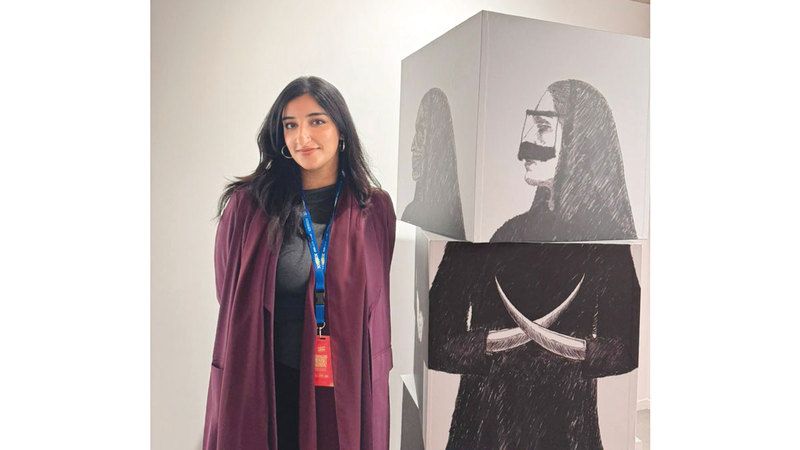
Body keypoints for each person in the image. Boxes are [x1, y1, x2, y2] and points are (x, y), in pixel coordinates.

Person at [427, 79, 640, 449]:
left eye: (543, 128)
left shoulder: (608, 243)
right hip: (483, 428)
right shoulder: (495, 234)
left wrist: (571, 351)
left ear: (579, 141)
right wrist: (490, 344)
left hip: (566, 431)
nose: (524, 149)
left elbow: (625, 346)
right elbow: (437, 339)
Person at [202, 76, 396, 450]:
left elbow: (373, 304)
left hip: (341, 387)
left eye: (316, 121)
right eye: (290, 125)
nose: (302, 136)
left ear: (342, 130)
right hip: (265, 385)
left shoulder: (373, 211)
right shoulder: (247, 208)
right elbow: (228, 295)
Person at [492, 79, 637, 242]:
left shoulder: (612, 240)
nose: (526, 141)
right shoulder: (511, 233)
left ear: (577, 141)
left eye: (543, 127)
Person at [401, 87, 466, 240]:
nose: (413, 146)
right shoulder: (412, 213)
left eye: (421, 132)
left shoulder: (449, 221)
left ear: (436, 140)